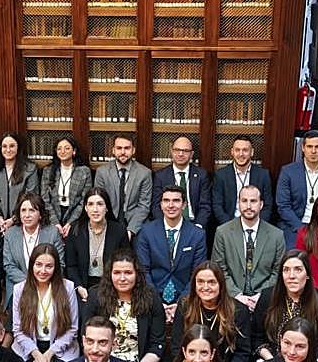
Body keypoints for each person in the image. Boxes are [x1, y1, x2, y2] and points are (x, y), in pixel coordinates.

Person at [170, 261, 252, 362]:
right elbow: (176, 347)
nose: (205, 287)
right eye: (200, 282)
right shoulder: (185, 306)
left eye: (212, 282)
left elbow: (243, 353)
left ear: (221, 285)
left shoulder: (238, 310)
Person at [135, 185, 208, 324]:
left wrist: (181, 304)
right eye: (166, 200)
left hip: (187, 301)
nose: (171, 205)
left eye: (176, 200)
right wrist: (157, 303)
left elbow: (197, 274)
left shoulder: (197, 235)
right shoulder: (146, 232)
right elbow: (143, 270)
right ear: (161, 204)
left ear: (184, 205)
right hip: (152, 299)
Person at [251, 250, 318, 362]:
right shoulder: (267, 297)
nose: (291, 276)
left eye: (298, 270)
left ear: (308, 274)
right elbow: (256, 338)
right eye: (286, 270)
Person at [211, 184, 284, 310]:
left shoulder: (276, 235)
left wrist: (260, 296)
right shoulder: (223, 232)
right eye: (244, 201)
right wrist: (237, 296)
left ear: (261, 204)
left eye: (253, 201)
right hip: (231, 300)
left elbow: (278, 271)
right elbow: (219, 268)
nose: (248, 206)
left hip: (265, 302)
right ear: (238, 203)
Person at [65, 188, 129, 301]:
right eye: (90, 204)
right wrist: (79, 287)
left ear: (107, 208)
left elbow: (125, 264)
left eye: (100, 204)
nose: (95, 209)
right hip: (83, 287)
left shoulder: (119, 231)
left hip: (112, 287)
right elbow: (71, 265)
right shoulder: (75, 230)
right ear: (85, 208)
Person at [2, 192, 63, 297]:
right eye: (23, 210)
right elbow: (8, 265)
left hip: (47, 289)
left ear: (40, 214)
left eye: (32, 210)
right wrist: (30, 282)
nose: (27, 215)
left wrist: (41, 282)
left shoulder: (52, 233)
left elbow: (60, 265)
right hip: (18, 288)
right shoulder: (10, 234)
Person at [94, 133, 152, 237]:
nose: (123, 152)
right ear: (113, 150)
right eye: (119, 148)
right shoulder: (102, 172)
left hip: (134, 220)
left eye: (127, 148)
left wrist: (131, 231)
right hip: (108, 219)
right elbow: (99, 202)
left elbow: (144, 206)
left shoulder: (144, 173)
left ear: (133, 150)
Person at [0, 131, 40, 233]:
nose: (8, 150)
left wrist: (13, 219)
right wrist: (0, 219)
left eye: (12, 146)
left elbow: (31, 197)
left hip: (21, 219)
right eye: (4, 146)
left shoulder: (30, 169)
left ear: (18, 148)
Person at [150, 135, 212, 228]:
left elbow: (205, 206)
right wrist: (165, 226)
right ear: (171, 152)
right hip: (169, 223)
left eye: (185, 151)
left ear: (191, 154)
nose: (180, 154)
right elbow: (156, 206)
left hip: (194, 223)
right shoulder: (160, 176)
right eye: (177, 150)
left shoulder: (202, 175)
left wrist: (198, 227)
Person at [211, 135, 273, 227]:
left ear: (251, 152)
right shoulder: (221, 175)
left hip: (256, 225)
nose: (241, 154)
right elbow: (217, 206)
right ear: (232, 152)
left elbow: (267, 206)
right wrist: (230, 227)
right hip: (229, 225)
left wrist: (257, 226)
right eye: (237, 150)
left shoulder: (263, 175)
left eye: (245, 150)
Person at [41, 134, 93, 239]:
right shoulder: (48, 171)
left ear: (74, 151)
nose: (62, 151)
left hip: (76, 215)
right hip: (52, 213)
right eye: (59, 149)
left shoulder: (84, 171)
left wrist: (71, 222)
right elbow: (44, 199)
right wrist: (55, 222)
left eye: (67, 148)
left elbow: (85, 200)